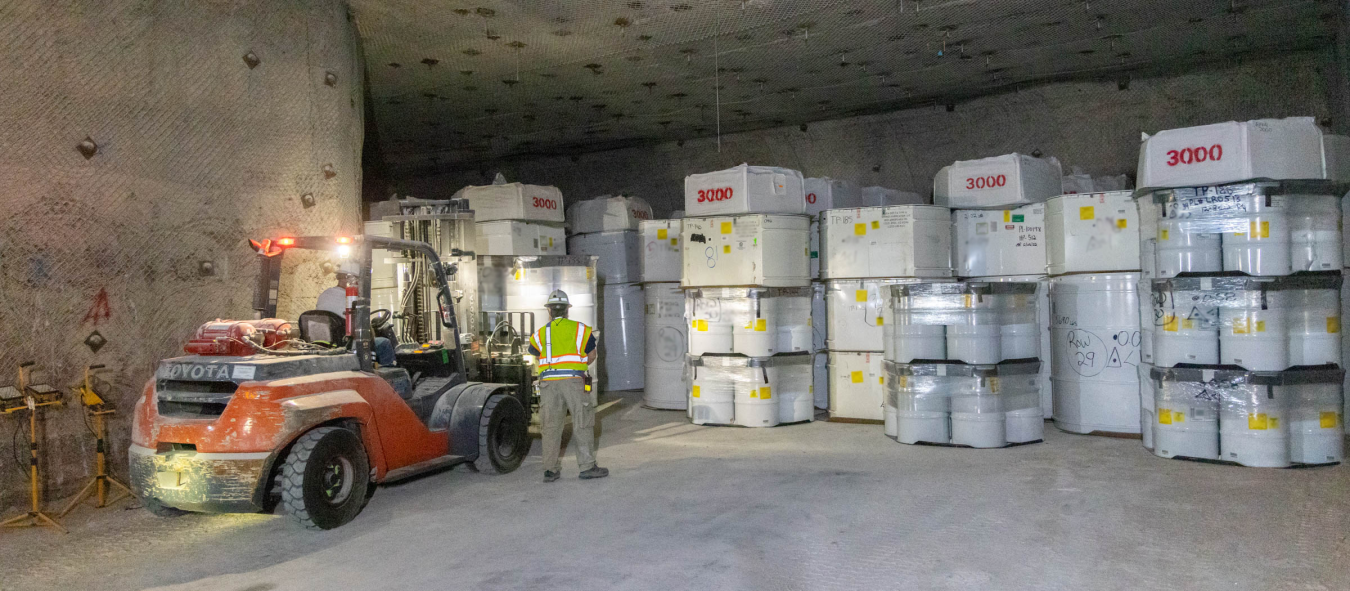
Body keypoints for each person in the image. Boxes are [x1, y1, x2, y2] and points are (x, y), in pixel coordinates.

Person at [527, 290, 609, 482]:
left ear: (549, 311)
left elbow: (536, 354)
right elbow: (592, 355)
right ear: (567, 311)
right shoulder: (581, 330)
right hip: (574, 381)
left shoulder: (540, 333)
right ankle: (587, 467)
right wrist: (577, 365)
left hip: (548, 384)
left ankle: (550, 470)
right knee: (582, 422)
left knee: (550, 426)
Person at [317, 274, 396, 366]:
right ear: (347, 280)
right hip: (347, 344)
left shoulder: (325, 294)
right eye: (357, 280)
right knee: (384, 343)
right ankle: (391, 374)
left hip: (328, 343)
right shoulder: (350, 298)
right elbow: (361, 325)